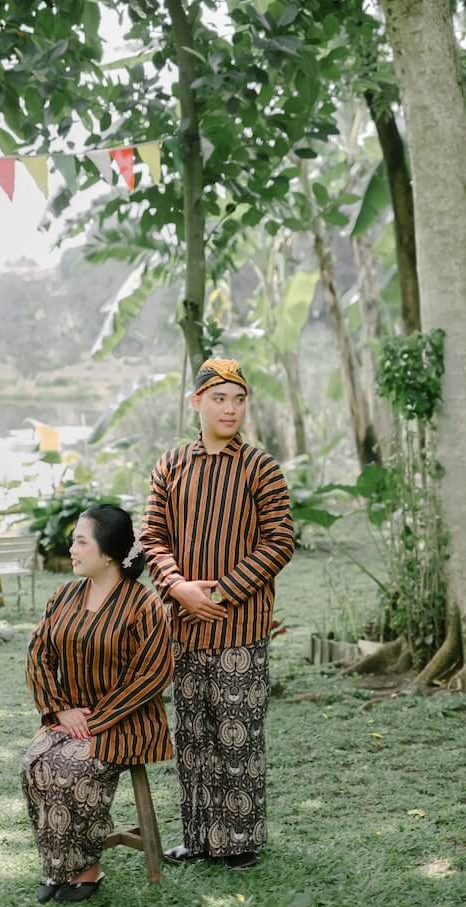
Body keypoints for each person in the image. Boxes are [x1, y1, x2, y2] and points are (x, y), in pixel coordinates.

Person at [141, 358, 294, 871]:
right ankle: (200, 837)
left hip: (240, 628)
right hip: (183, 628)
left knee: (238, 734)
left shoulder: (260, 467)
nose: (230, 409)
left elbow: (279, 541)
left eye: (239, 399)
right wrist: (178, 587)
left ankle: (239, 841)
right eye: (219, 399)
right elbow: (152, 537)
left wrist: (222, 592)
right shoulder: (170, 466)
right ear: (197, 402)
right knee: (194, 737)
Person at [21, 504, 173, 903]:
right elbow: (38, 653)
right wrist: (60, 709)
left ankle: (86, 867)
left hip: (127, 719)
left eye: (80, 542)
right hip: (69, 715)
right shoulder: (64, 595)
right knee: (34, 762)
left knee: (72, 768)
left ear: (107, 553)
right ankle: (59, 867)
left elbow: (153, 674)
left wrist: (97, 720)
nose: (72, 549)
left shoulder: (144, 606)